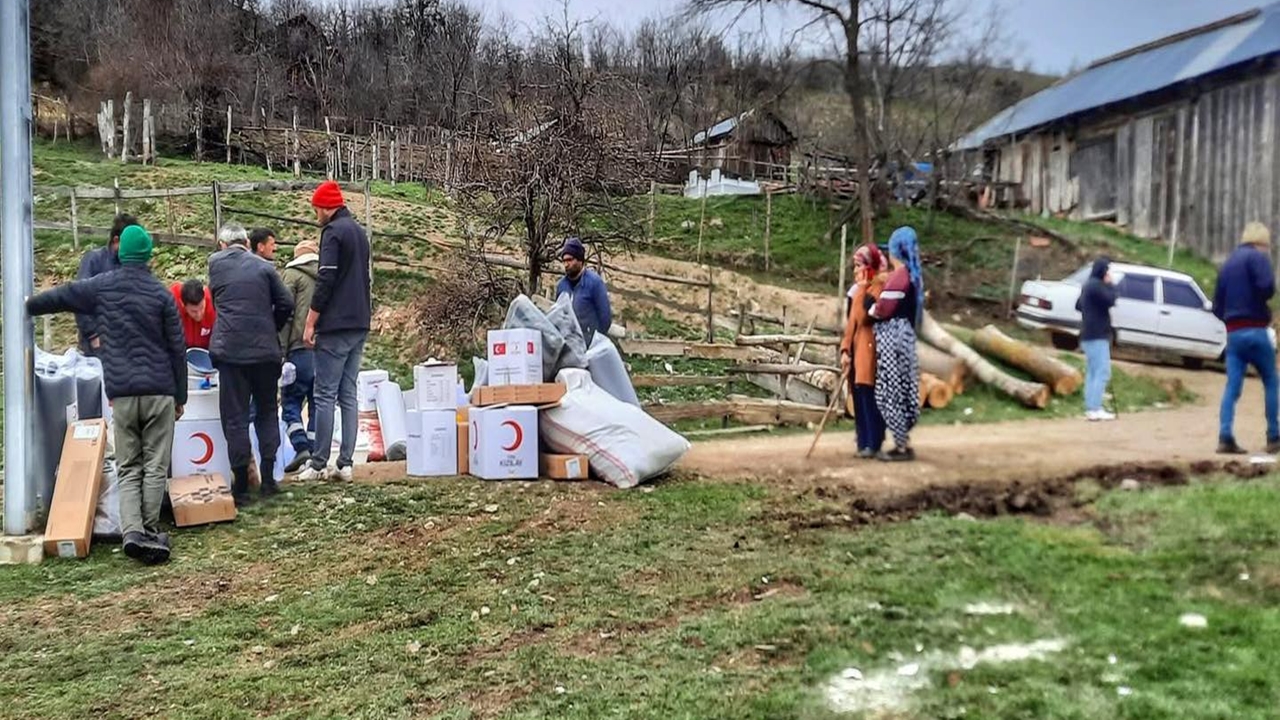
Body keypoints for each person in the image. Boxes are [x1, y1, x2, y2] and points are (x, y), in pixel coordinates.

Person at [28, 225, 186, 565]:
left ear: (119, 252)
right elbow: (177, 348)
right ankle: (147, 528)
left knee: (128, 465)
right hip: (159, 391)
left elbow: (64, 295)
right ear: (148, 255)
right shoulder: (161, 295)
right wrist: (181, 396)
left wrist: (28, 306)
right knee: (155, 464)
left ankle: (131, 532)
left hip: (123, 394)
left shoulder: (101, 287)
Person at [208, 227, 295, 505]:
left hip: (231, 354)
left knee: (235, 417)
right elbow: (285, 302)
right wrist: (272, 328)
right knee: (267, 411)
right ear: (247, 243)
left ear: (222, 244)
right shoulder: (265, 267)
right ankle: (269, 480)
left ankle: (242, 486)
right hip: (265, 354)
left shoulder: (215, 263)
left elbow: (217, 297)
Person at [297, 180, 372, 483]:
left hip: (336, 323)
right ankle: (346, 463)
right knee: (348, 394)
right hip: (360, 321)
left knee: (324, 394)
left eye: (316, 209)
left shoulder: (332, 233)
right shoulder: (358, 232)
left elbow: (325, 279)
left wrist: (311, 321)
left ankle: (318, 463)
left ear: (326, 207)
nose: (316, 215)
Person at [1214, 222, 1279, 455]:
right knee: (1271, 380)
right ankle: (1273, 436)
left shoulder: (1227, 264)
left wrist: (1230, 321)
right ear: (1261, 242)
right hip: (1256, 330)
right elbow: (1267, 288)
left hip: (1233, 334)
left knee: (1232, 386)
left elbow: (1216, 306)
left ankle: (1225, 436)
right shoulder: (1258, 258)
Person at [869, 227, 924, 462]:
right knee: (904, 385)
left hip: (892, 336)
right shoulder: (914, 276)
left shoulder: (899, 277)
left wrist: (871, 308)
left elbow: (883, 309)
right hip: (907, 335)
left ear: (895, 251)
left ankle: (901, 444)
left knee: (888, 390)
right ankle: (903, 441)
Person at [841, 244, 888, 459]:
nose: (855, 270)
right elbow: (851, 323)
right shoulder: (858, 290)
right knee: (859, 394)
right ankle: (863, 441)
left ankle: (873, 442)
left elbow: (864, 318)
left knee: (870, 395)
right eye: (854, 265)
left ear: (870, 266)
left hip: (871, 349)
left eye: (859, 265)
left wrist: (863, 294)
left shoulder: (879, 287)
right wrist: (844, 349)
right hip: (857, 349)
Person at [279, 239, 320, 472]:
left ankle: (300, 446)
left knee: (290, 402)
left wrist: (281, 352)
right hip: (325, 352)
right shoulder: (328, 276)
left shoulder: (292, 276)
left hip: (298, 349)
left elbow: (285, 315)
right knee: (318, 403)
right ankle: (315, 452)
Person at [74, 213, 138, 355]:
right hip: (97, 344)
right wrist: (93, 335)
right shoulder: (94, 261)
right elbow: (79, 300)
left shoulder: (131, 264)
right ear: (116, 240)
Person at [1075, 257, 1117, 422]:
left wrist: (1091, 309)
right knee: (1102, 372)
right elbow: (1111, 300)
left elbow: (1078, 305)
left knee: (1093, 373)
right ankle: (1095, 408)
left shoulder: (1087, 285)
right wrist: (1110, 284)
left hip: (1087, 334)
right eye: (1107, 271)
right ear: (1102, 271)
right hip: (1097, 334)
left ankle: (1091, 407)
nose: (1108, 274)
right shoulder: (1097, 286)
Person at [556, 237, 612, 346]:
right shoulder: (561, 286)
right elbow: (558, 316)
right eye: (564, 261)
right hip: (567, 346)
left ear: (580, 260)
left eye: (570, 260)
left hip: (589, 346)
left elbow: (605, 318)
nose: (566, 264)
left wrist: (594, 342)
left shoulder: (595, 283)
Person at [170, 278, 217, 351]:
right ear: (183, 305)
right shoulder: (172, 303)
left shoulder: (214, 304)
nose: (199, 314)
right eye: (193, 311)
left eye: (201, 308)